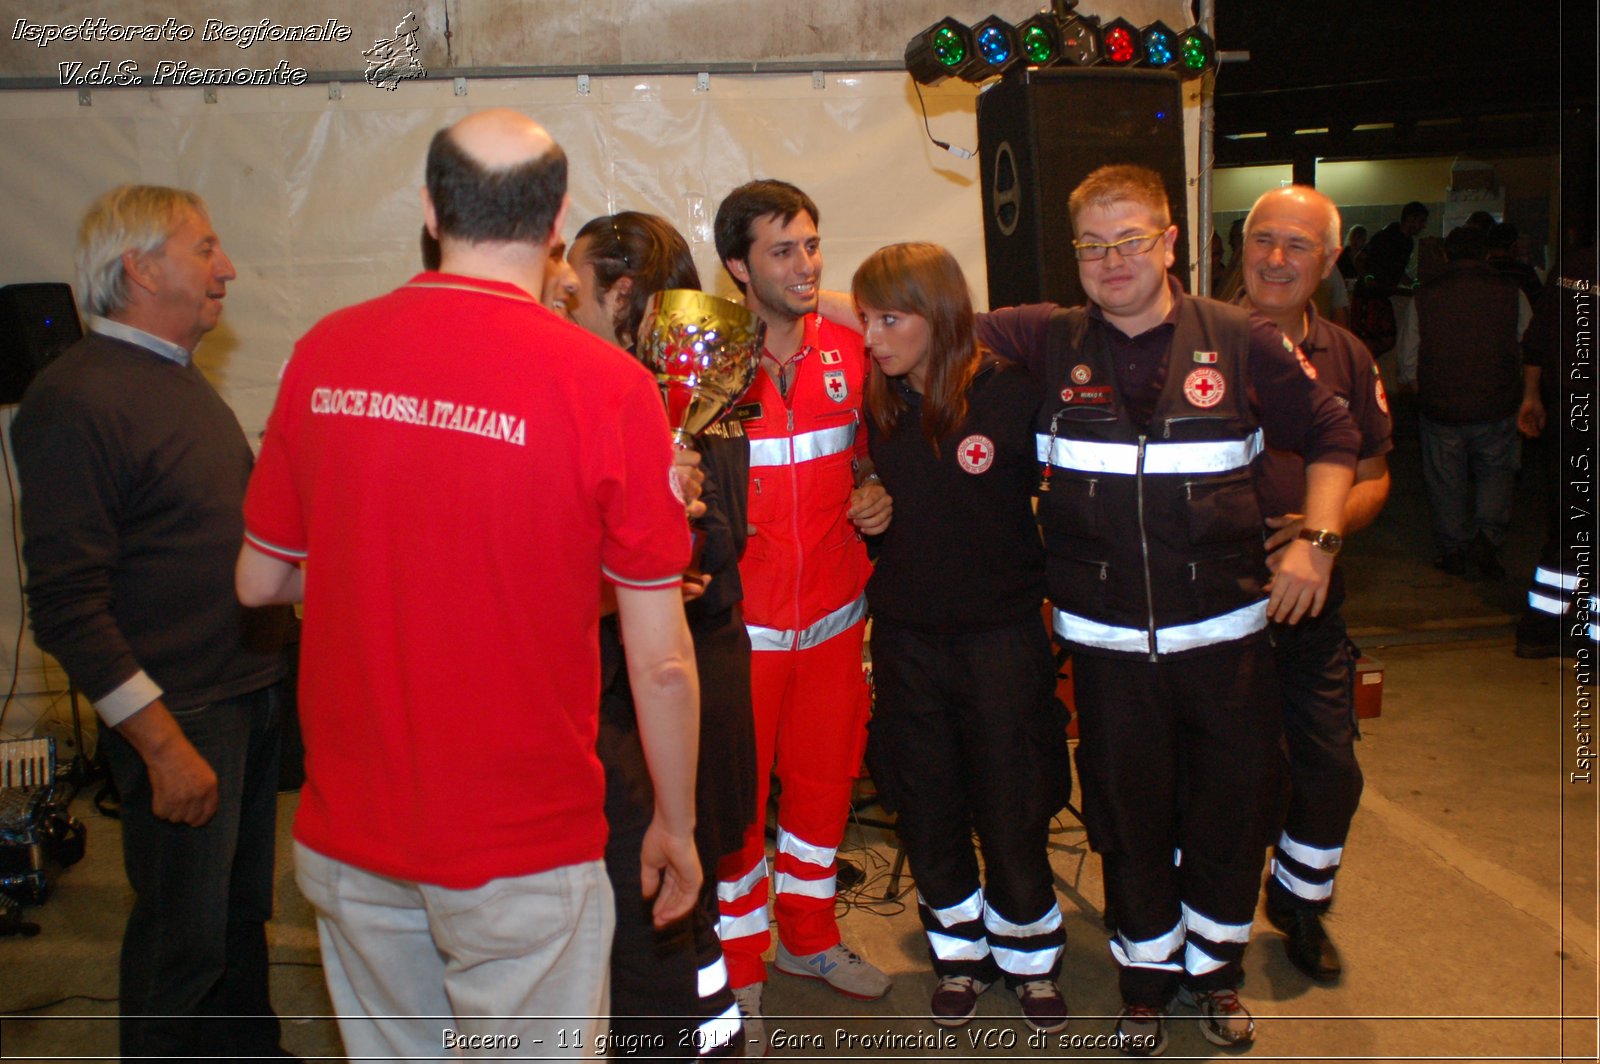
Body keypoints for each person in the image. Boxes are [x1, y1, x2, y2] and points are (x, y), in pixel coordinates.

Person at [234, 109, 701, 1058]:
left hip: (351, 835)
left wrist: (383, 571)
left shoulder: (325, 352)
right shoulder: (606, 386)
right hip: (522, 851)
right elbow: (661, 667)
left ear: (429, 207)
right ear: (557, 220)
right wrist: (677, 823)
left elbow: (259, 580)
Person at [975, 164, 1359, 1056]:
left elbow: (1338, 433)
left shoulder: (1242, 339)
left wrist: (1319, 540)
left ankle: (1216, 978)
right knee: (1127, 817)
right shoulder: (1045, 337)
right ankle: (1146, 981)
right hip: (1107, 654)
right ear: (1075, 253)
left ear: (1170, 242)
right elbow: (914, 309)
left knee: (1230, 816)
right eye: (1094, 245)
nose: (1113, 261)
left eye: (1132, 240)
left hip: (1226, 647)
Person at [12, 185, 295, 1061]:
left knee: (238, 923)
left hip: (241, 699)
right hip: (187, 716)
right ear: (139, 267)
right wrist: (164, 746)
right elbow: (65, 605)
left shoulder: (176, 383)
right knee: (183, 945)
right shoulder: (77, 400)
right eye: (204, 249)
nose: (228, 268)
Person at [852, 243, 1070, 1032]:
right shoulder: (873, 408)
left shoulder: (1011, 395)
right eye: (866, 319)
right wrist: (865, 489)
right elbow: (847, 479)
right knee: (929, 805)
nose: (872, 338)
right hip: (907, 643)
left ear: (939, 314)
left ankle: (1030, 959)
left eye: (889, 319)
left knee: (1012, 805)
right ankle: (959, 955)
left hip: (1001, 641)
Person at [566, 210, 754, 1058]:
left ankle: (699, 1042)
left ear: (623, 293)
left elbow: (719, 545)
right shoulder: (590, 391)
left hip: (686, 684)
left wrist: (678, 524)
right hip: (616, 685)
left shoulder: (690, 389)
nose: (561, 300)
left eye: (574, 286)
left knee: (679, 896)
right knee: (638, 897)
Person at [710, 179, 894, 1039]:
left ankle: (810, 937)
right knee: (737, 808)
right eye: (783, 250)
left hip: (832, 625)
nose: (807, 264)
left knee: (823, 796)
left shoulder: (855, 352)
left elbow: (869, 459)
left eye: (813, 245)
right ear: (736, 268)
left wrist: (875, 491)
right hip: (737, 637)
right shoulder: (703, 364)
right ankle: (739, 961)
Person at [1238, 186, 1394, 983]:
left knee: (1331, 770)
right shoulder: (1194, 339)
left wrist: (1320, 530)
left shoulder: (1348, 356)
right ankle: (1200, 924)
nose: (1274, 259)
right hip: (1214, 610)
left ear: (1330, 260)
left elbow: (1373, 476)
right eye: (1262, 239)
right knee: (1223, 776)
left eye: (1296, 246)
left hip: (1310, 612)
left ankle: (1298, 902)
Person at [1396, 225, 1533, 579]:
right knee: (1496, 475)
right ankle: (1487, 542)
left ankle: (1453, 548)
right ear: (1487, 253)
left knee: (1445, 480)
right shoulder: (1510, 292)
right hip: (1496, 402)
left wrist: (1417, 388)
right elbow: (1528, 343)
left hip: (1441, 406)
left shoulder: (1424, 296)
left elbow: (1409, 356)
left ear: (1446, 254)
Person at [1514, 232, 1597, 658]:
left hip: (1569, 414)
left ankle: (1540, 629)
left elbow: (1538, 339)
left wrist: (1532, 395)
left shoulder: (1573, 267)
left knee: (1568, 524)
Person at [1362, 201, 1429, 292]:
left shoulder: (1408, 243)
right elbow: (1359, 259)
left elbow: (1398, 271)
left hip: (1384, 293)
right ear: (1410, 219)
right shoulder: (1386, 236)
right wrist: (1368, 277)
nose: (1424, 226)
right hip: (1368, 294)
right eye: (1421, 221)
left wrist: (1413, 284)